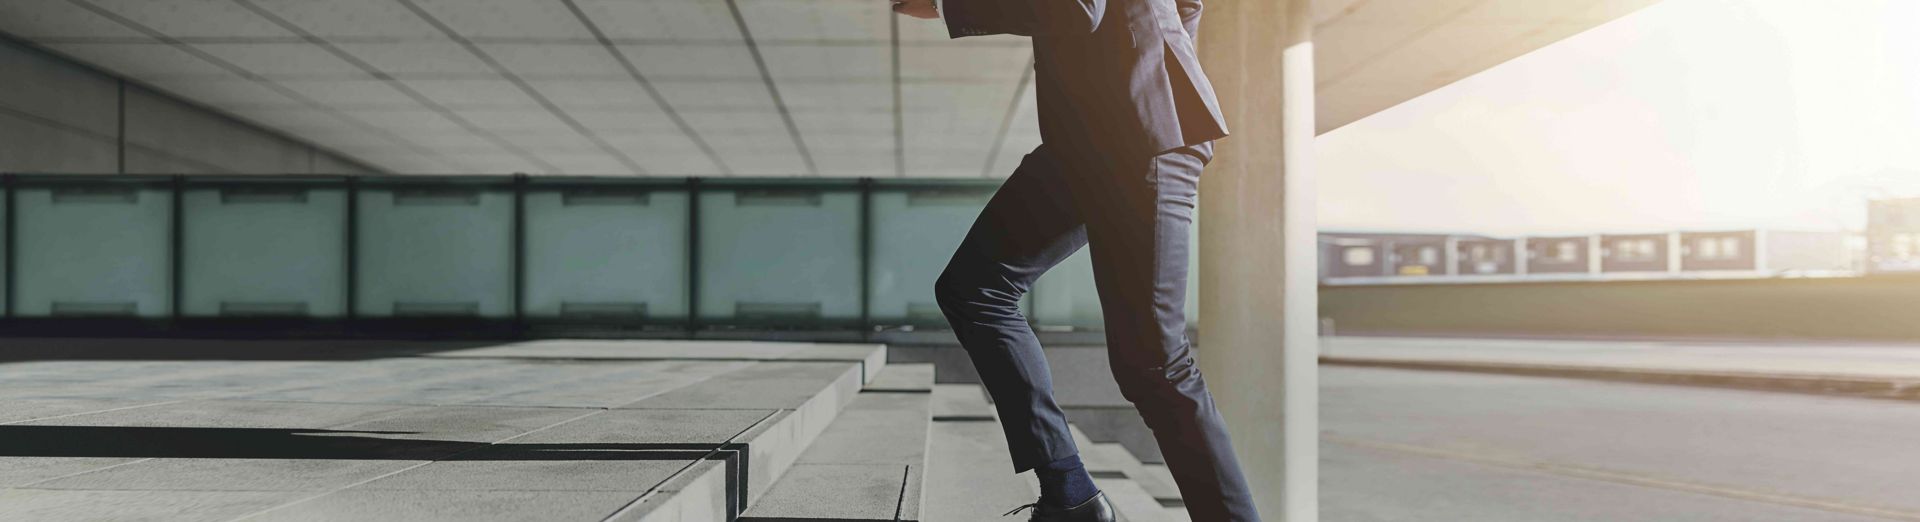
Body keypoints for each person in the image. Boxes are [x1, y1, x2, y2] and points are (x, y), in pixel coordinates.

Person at [892, 0, 1260, 520]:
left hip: (1139, 137)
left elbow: (1079, 8)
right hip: (1090, 141)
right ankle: (1069, 493)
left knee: (1155, 362)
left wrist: (947, 7)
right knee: (973, 288)